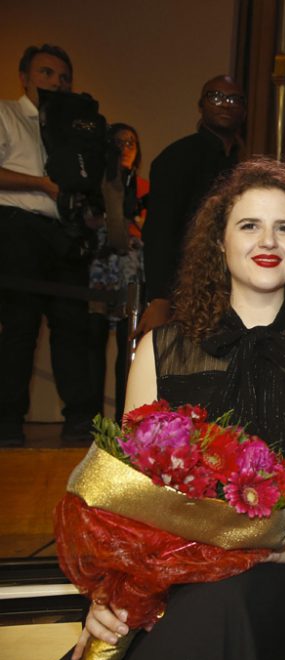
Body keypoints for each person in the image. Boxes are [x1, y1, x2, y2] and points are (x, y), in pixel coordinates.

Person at [71, 157, 285, 660]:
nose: (268, 241)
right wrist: (110, 592)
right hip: (168, 573)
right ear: (220, 243)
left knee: (222, 604)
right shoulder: (160, 350)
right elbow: (123, 493)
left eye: (284, 228)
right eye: (249, 225)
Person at [0, 44, 95, 445]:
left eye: (63, 76)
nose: (57, 82)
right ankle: (7, 426)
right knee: (19, 328)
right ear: (25, 76)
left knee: (73, 326)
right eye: (46, 73)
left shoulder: (72, 128)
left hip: (65, 231)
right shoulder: (5, 112)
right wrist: (41, 183)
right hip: (17, 225)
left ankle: (80, 425)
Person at [137, 74, 246, 337]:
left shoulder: (246, 165)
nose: (225, 104)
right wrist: (160, 297)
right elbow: (159, 230)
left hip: (237, 291)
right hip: (187, 291)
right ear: (201, 105)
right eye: (216, 97)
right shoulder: (176, 157)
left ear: (243, 110)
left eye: (233, 99)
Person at [87, 122, 148, 422]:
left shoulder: (145, 187)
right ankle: (91, 420)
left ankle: (124, 421)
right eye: (119, 142)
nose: (125, 148)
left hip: (133, 272)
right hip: (99, 270)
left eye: (131, 143)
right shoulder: (95, 184)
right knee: (94, 343)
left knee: (128, 348)